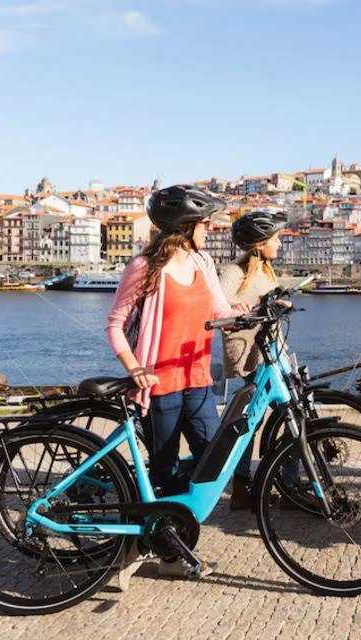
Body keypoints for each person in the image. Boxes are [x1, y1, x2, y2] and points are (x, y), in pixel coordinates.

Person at [107, 184, 247, 585]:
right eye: (205, 223)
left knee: (211, 458)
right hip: (159, 386)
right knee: (164, 469)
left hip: (199, 380)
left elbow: (220, 310)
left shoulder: (203, 263)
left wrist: (247, 313)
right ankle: (161, 550)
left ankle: (166, 534)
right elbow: (115, 325)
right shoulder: (145, 268)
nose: (210, 229)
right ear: (183, 226)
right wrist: (135, 369)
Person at [217, 209, 288, 511]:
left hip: (273, 353)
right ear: (259, 244)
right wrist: (247, 307)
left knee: (280, 416)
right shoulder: (234, 272)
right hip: (250, 356)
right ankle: (246, 485)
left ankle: (254, 484)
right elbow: (218, 306)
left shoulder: (266, 271)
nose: (280, 244)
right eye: (276, 239)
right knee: (255, 420)